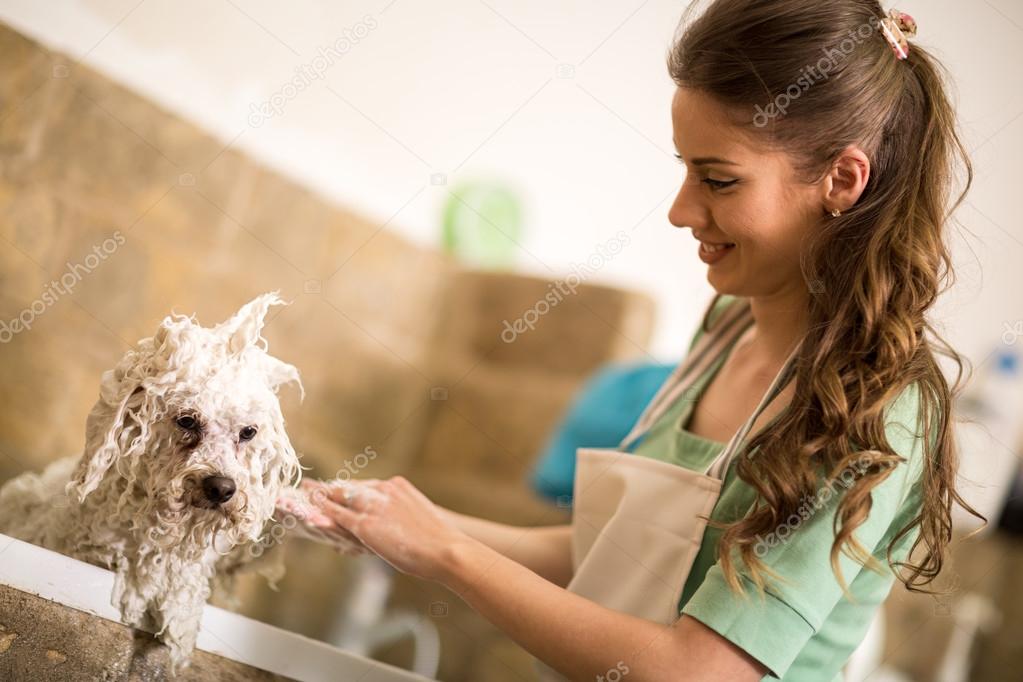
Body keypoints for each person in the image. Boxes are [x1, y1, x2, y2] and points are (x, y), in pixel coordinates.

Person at [284, 2, 984, 679]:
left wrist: (446, 555)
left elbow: (698, 672)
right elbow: (616, 555)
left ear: (842, 180)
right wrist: (410, 523)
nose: (680, 211)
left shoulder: (877, 408)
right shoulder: (726, 326)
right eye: (685, 169)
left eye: (718, 180)